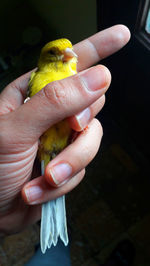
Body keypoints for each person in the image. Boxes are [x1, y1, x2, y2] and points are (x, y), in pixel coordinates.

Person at [0, 25, 130, 264]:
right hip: (42, 149)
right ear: (44, 58)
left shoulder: (73, 74)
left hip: (58, 146)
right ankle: (54, 245)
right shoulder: (37, 77)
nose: (66, 53)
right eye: (54, 52)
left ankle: (52, 246)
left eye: (68, 50)